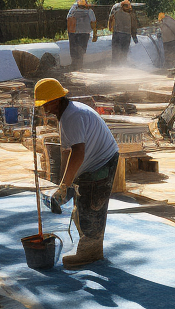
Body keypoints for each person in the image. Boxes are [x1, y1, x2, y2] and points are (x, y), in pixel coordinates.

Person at [34, 78, 120, 267]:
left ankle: (91, 253)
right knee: (80, 208)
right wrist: (65, 182)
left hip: (101, 164)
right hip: (95, 162)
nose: (44, 110)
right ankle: (88, 248)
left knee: (91, 209)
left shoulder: (72, 116)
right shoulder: (67, 113)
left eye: (46, 105)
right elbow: (66, 151)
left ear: (56, 100)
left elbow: (78, 153)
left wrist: (65, 185)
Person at [66, 0, 99, 72]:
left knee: (74, 50)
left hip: (74, 33)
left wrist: (69, 32)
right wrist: (95, 33)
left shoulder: (73, 10)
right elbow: (93, 22)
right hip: (83, 33)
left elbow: (68, 19)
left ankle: (75, 65)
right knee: (81, 50)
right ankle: (78, 65)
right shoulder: (89, 11)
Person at [107, 0, 139, 67]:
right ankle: (115, 65)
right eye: (127, 9)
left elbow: (133, 24)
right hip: (117, 33)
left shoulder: (130, 12)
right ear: (122, 6)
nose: (128, 10)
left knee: (124, 50)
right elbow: (110, 18)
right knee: (116, 50)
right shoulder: (116, 9)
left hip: (126, 33)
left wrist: (134, 35)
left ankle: (122, 65)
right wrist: (110, 27)